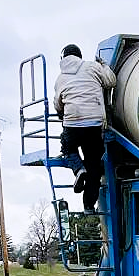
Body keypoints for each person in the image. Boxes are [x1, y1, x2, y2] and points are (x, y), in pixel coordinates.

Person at [53, 43, 115, 210]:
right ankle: (88, 205)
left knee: (68, 149)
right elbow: (111, 82)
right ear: (79, 56)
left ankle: (78, 170)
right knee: (94, 166)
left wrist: (63, 113)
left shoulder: (60, 78)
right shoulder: (92, 67)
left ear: (63, 58)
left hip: (72, 123)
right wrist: (104, 65)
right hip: (94, 124)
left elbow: (58, 105)